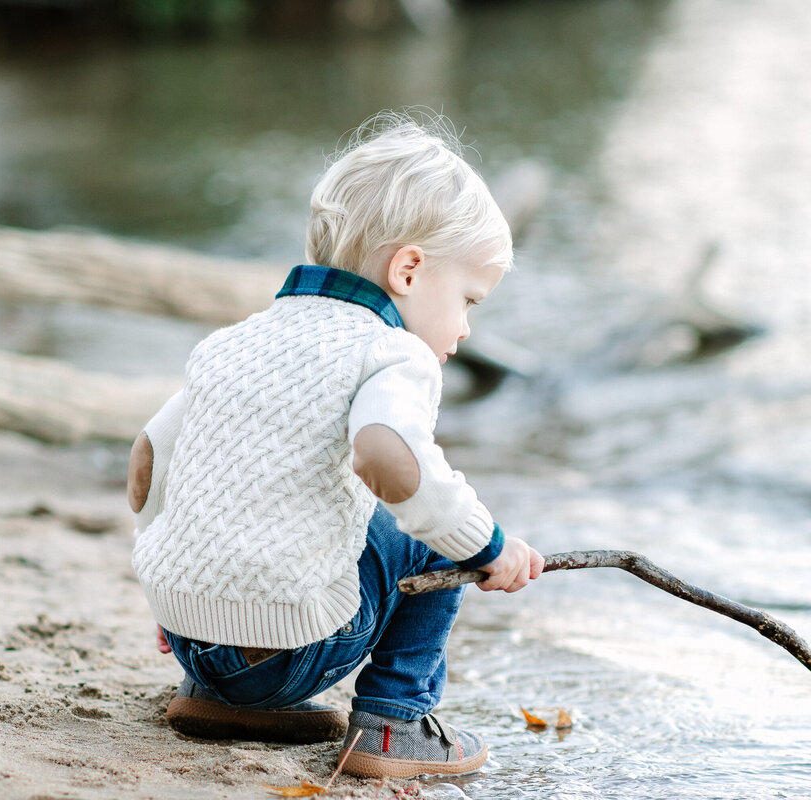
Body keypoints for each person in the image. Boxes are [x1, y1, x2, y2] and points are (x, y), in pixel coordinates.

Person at [126, 110, 544, 780]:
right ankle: (393, 727)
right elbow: (386, 456)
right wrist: (490, 546)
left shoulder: (239, 339)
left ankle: (216, 695)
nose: (465, 329)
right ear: (409, 269)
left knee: (269, 490)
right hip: (295, 651)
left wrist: (178, 600)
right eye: (468, 300)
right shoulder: (391, 352)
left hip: (189, 639)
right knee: (432, 531)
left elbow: (149, 462)